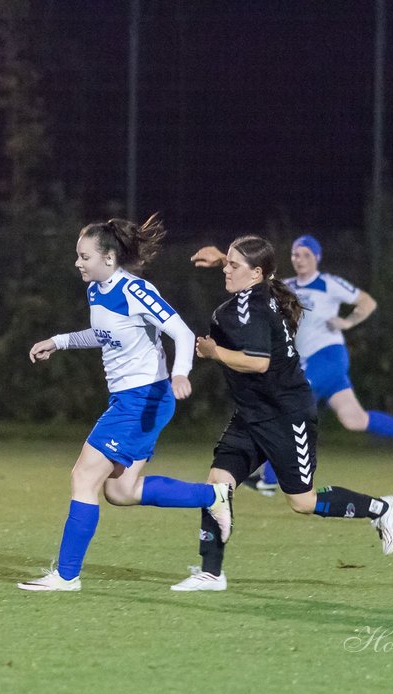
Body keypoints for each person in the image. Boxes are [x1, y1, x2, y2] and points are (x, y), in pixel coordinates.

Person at [172, 234, 393, 592]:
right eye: (228, 264)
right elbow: (261, 276)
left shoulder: (255, 307)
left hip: (287, 414)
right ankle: (211, 572)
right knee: (217, 483)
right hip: (252, 413)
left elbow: (259, 363)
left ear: (255, 273)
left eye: (235, 266)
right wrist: (223, 258)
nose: (227, 271)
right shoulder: (258, 291)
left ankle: (382, 509)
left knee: (302, 501)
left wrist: (215, 353)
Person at [17, 214, 232, 591]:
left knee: (83, 476)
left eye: (85, 256)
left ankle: (66, 576)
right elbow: (103, 335)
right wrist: (59, 341)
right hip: (130, 400)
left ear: (109, 259)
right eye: (78, 256)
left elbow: (181, 332)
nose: (78, 262)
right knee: (121, 492)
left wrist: (182, 373)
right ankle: (212, 496)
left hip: (144, 399)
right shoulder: (96, 291)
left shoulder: (136, 290)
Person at [192, 234, 393, 497]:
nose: (299, 259)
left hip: (328, 357)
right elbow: (257, 273)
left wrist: (348, 322)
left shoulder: (329, 284)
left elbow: (367, 302)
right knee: (354, 419)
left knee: (286, 401)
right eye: (295, 255)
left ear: (317, 257)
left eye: (306, 255)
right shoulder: (286, 285)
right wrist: (223, 258)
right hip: (309, 362)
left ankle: (270, 477)